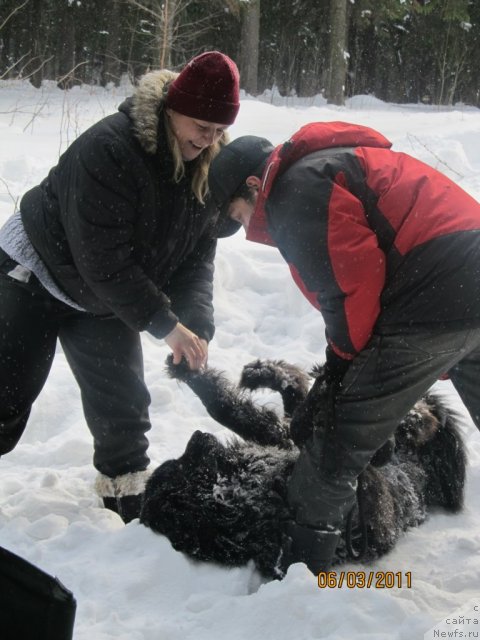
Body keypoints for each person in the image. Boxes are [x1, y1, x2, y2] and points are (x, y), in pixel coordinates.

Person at [208, 122, 480, 575]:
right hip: (465, 279)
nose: (242, 225)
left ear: (254, 186)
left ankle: (299, 572)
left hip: (431, 300)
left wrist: (339, 368)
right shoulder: (338, 162)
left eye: (236, 214)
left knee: (337, 438)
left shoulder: (296, 189)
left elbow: (353, 285)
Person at [0, 51, 240, 523]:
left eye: (217, 132)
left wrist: (194, 323)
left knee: (123, 402)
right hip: (36, 273)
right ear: (172, 108)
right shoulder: (110, 148)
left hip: (104, 294)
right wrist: (164, 324)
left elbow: (196, 259)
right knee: (7, 393)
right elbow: (102, 259)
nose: (206, 140)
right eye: (198, 126)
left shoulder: (209, 166)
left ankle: (125, 495)